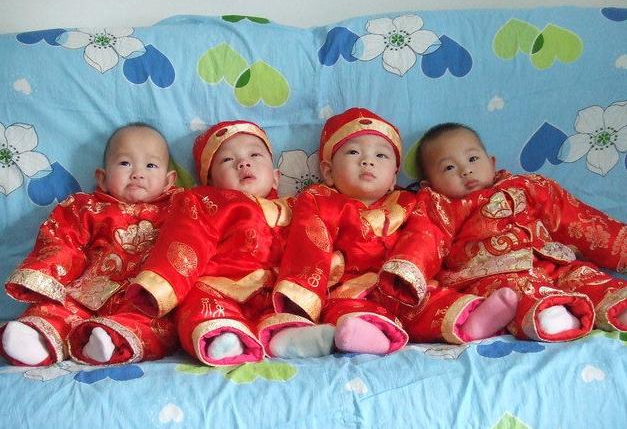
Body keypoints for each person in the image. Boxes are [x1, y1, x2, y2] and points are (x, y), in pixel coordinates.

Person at [268, 108, 516, 358]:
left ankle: (471, 323)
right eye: (353, 152)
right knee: (345, 312)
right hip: (351, 288)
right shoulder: (319, 200)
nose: (368, 161)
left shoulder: (411, 201)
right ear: (328, 172)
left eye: (380, 155)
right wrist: (301, 301)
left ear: (393, 177)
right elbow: (308, 246)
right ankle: (368, 337)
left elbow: (426, 236)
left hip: (403, 285)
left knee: (433, 302)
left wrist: (409, 273)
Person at [379, 122, 627, 343]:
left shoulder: (529, 187)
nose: (465, 170)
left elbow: (576, 220)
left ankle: (617, 305)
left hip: (552, 262)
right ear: (429, 184)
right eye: (449, 167)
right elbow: (424, 238)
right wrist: (408, 273)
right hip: (490, 275)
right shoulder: (439, 206)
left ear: (492, 162)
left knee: (583, 275)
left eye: (473, 159)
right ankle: (549, 314)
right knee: (516, 290)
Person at [1, 123, 179, 365]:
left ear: (169, 181)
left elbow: (193, 243)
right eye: (125, 163)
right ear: (102, 178)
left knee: (155, 325)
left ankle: (109, 342)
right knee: (57, 309)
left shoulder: (179, 209)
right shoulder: (85, 208)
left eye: (150, 165)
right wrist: (44, 276)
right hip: (85, 293)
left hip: (144, 297)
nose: (138, 173)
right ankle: (36, 339)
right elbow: (63, 241)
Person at [125, 120, 297, 366]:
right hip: (218, 288)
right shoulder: (205, 201)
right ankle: (224, 335)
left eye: (255, 155)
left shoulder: (298, 207)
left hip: (276, 293)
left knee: (287, 310)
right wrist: (159, 287)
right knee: (199, 308)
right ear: (210, 181)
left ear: (276, 178)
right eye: (227, 160)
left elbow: (312, 248)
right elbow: (186, 239)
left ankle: (289, 337)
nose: (243, 163)